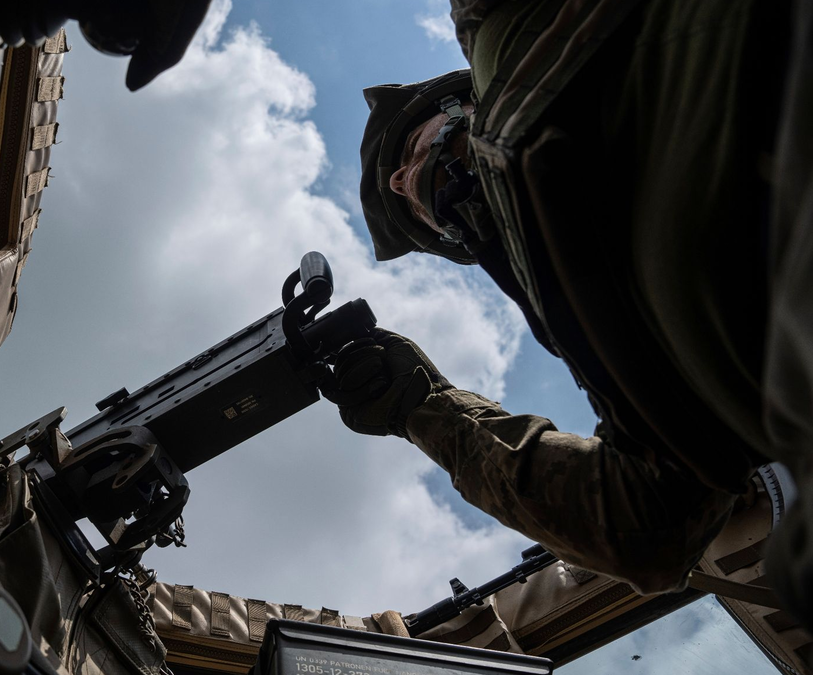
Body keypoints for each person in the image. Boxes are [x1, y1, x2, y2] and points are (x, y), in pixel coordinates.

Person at [330, 0, 813, 620]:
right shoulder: (601, 291)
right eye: (427, 213)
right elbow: (648, 527)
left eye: (413, 161)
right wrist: (423, 408)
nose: (409, 183)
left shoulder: (538, 69)